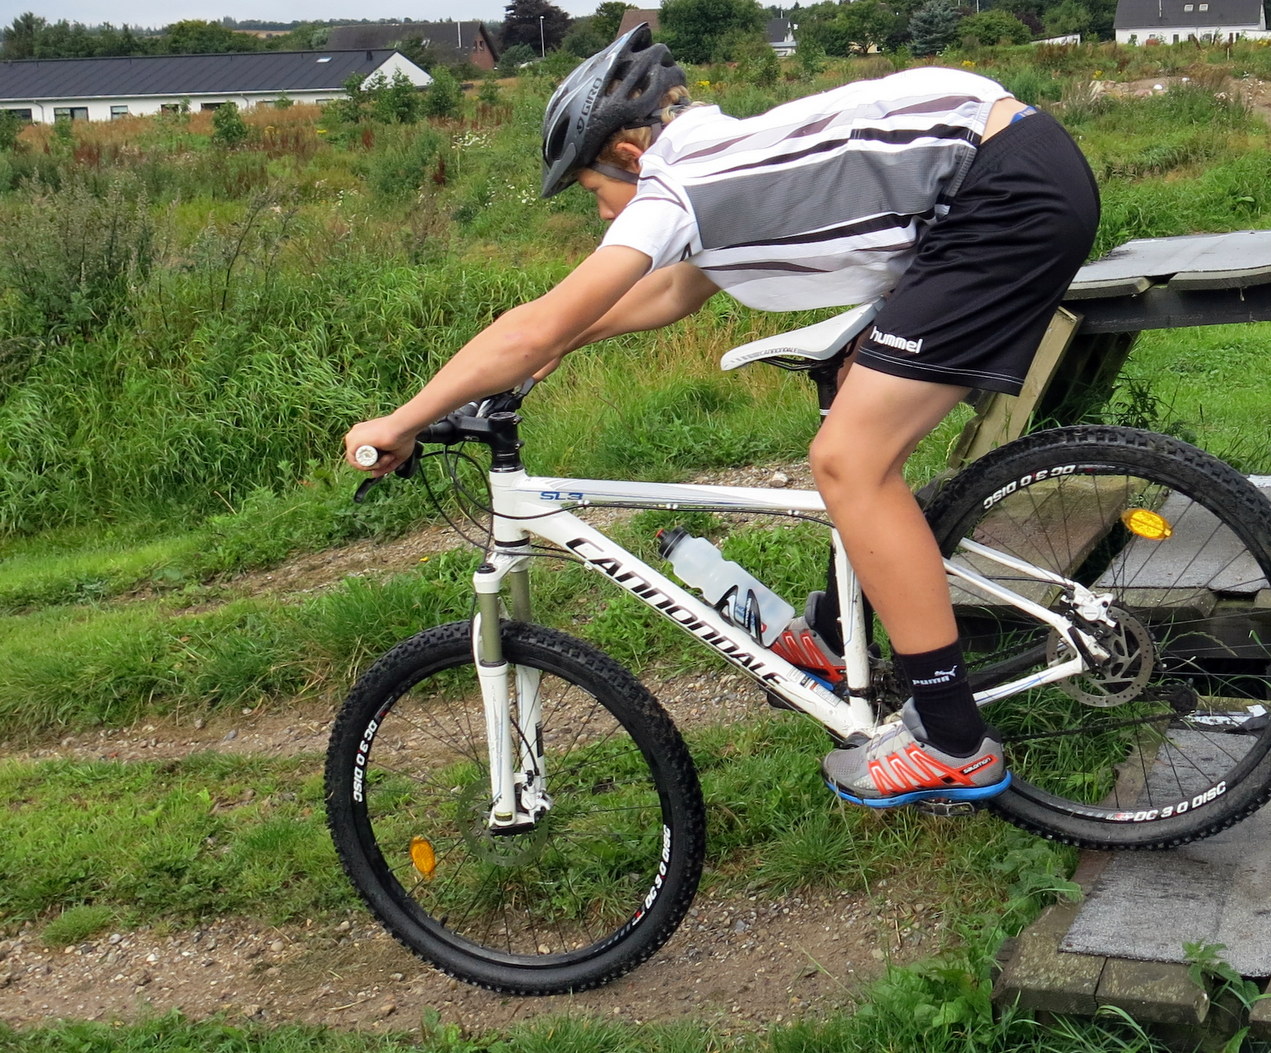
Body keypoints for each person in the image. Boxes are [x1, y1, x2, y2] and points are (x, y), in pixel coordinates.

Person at [344, 26, 1100, 810]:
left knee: (849, 459)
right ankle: (839, 637)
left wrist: (402, 418)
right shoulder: (715, 156)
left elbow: (529, 328)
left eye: (594, 192)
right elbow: (679, 288)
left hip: (1000, 191)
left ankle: (951, 739)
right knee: (859, 414)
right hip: (1006, 170)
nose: (600, 213)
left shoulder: (676, 180)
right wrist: (568, 341)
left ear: (628, 155)